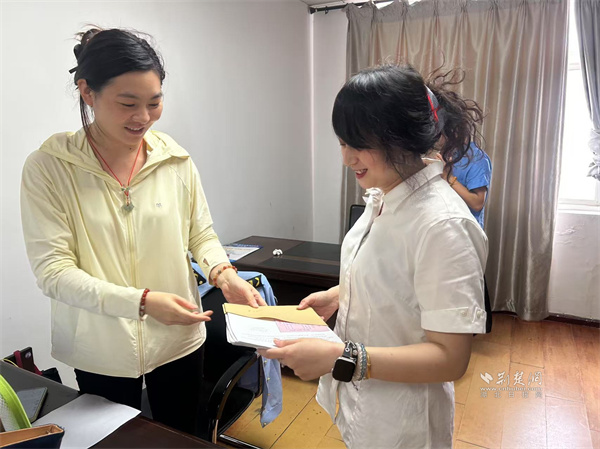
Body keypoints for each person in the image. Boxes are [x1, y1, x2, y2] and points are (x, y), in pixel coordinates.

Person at [20, 27, 265, 434]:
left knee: (181, 435)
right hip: (100, 346)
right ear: (87, 92)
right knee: (117, 440)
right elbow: (54, 272)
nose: (144, 118)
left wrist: (224, 275)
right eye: (128, 104)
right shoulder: (50, 167)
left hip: (179, 337)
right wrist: (143, 302)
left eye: (154, 102)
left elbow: (200, 234)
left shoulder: (174, 160)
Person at [260, 64, 488, 449]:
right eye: (342, 143)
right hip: (363, 406)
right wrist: (340, 294)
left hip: (404, 425)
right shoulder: (385, 194)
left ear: (401, 138)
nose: (347, 158)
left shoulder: (443, 225)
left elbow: (451, 358)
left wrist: (343, 357)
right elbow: (396, 275)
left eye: (359, 144)